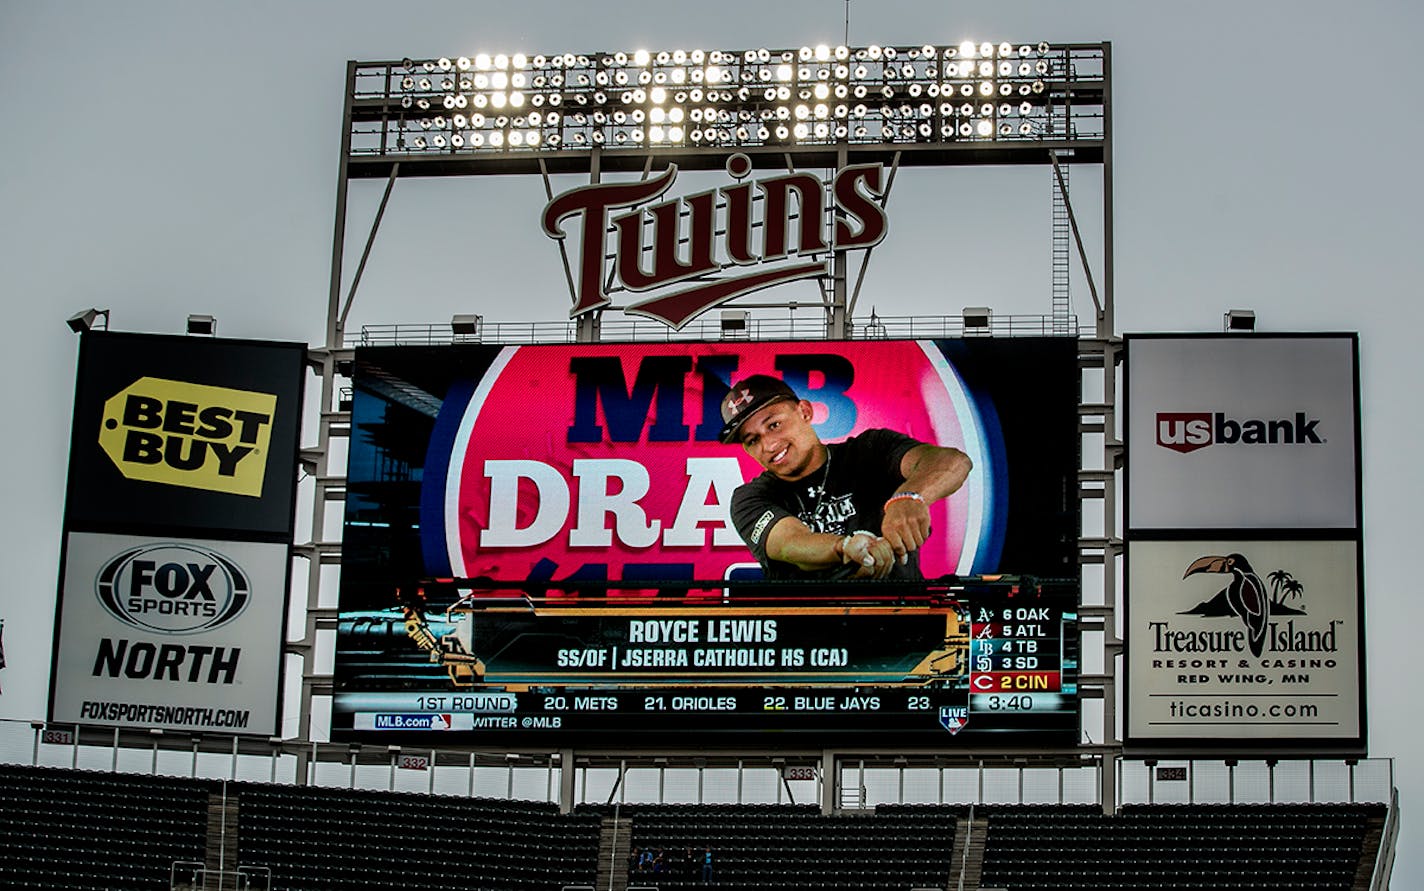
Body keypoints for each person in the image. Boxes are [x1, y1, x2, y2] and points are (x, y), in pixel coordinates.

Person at [721, 374, 972, 580]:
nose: (769, 445)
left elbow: (953, 462)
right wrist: (846, 547)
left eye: (774, 425)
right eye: (753, 440)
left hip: (901, 624)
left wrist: (910, 497)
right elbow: (789, 544)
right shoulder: (749, 499)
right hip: (809, 634)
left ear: (805, 412)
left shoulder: (871, 449)